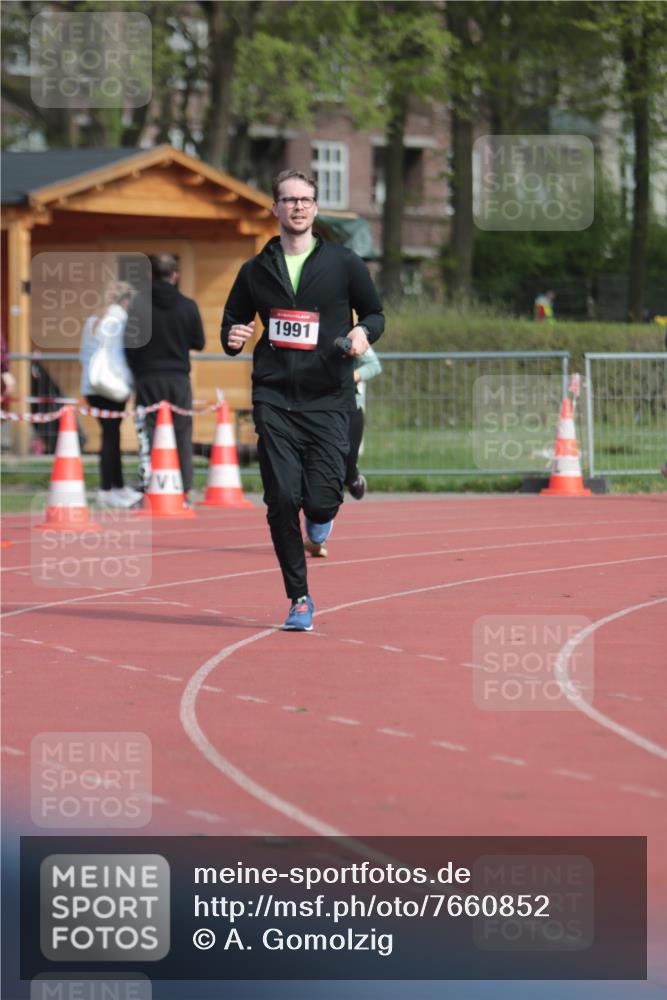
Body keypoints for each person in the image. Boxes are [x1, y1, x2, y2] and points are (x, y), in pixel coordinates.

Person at [221, 169, 384, 631]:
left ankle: (321, 522)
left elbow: (375, 313)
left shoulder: (344, 263)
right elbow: (232, 321)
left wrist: (361, 332)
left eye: (306, 200)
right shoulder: (255, 270)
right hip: (274, 396)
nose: (297, 207)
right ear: (275, 208)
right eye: (289, 200)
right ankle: (299, 598)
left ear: (315, 208)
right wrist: (233, 337)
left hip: (329, 395)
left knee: (321, 500)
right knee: (281, 498)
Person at [125, 254, 205, 501]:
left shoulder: (139, 304)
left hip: (148, 377)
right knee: (181, 431)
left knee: (147, 432)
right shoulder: (188, 305)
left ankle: (150, 485)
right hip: (178, 377)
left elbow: (130, 344)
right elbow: (198, 342)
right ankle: (185, 487)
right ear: (175, 275)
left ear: (150, 275)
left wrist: (136, 370)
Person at [79, 281, 142, 508]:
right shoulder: (120, 320)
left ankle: (117, 486)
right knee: (111, 436)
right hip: (110, 386)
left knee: (110, 435)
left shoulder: (93, 320)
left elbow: (83, 355)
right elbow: (118, 357)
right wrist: (130, 384)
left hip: (91, 386)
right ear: (126, 301)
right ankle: (108, 489)